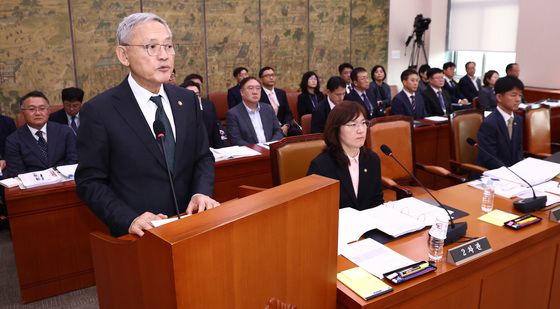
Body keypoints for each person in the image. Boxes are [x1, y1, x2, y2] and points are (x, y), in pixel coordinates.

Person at [75, 13, 218, 237]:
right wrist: (128, 219)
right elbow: (89, 182)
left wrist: (201, 193)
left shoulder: (187, 100)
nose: (164, 56)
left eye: (168, 46)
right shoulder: (100, 111)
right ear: (123, 55)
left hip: (192, 227)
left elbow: (202, 157)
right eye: (151, 46)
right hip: (141, 238)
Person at [307, 101, 383, 210]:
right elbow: (315, 210)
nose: (361, 130)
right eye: (353, 125)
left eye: (363, 123)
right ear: (336, 129)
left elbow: (377, 201)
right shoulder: (321, 166)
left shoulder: (372, 159)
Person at [5, 91, 77, 178]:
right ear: (22, 112)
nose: (38, 113)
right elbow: (17, 173)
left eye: (42, 108)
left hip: (65, 183)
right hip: (33, 188)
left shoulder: (65, 131)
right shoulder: (13, 140)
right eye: (32, 109)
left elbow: (73, 161)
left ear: (48, 111)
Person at [476, 76, 525, 170]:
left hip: (514, 172)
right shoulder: (489, 123)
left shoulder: (518, 120)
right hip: (492, 174)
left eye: (520, 95)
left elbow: (518, 150)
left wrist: (520, 168)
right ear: (499, 97)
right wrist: (509, 172)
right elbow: (489, 158)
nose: (518, 99)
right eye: (513, 95)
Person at [226, 77, 284, 146]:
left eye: (258, 88)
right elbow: (236, 140)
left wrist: (270, 146)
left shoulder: (268, 108)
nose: (255, 92)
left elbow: (278, 131)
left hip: (270, 150)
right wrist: (257, 149)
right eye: (250, 88)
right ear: (242, 92)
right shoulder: (233, 113)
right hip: (251, 153)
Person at [181, 80, 226, 148]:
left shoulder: (209, 117)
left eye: (197, 95)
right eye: (190, 95)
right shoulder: (178, 120)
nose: (195, 98)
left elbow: (219, 144)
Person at [259, 66, 295, 136]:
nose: (271, 78)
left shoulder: (281, 93)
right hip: (267, 128)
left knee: (297, 133)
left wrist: (286, 125)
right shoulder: (258, 94)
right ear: (261, 79)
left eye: (272, 75)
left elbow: (288, 112)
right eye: (267, 76)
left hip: (284, 127)